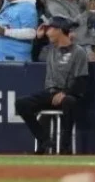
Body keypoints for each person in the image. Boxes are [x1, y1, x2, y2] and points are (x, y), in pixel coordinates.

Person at [15, 16, 89, 155]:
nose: (47, 32)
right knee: (21, 103)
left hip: (69, 95)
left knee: (69, 102)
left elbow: (82, 81)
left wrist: (65, 92)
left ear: (59, 30)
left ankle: (64, 147)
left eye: (50, 29)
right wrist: (38, 39)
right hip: (50, 93)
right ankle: (44, 140)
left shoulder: (78, 52)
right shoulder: (50, 50)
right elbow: (35, 56)